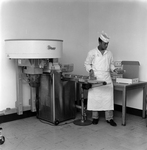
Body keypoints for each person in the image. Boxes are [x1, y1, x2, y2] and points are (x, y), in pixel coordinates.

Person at [84, 31, 119, 126]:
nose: (106, 45)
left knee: (108, 98)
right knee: (95, 98)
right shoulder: (92, 52)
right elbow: (87, 63)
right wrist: (90, 70)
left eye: (107, 43)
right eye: (105, 44)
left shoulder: (109, 53)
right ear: (99, 42)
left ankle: (109, 118)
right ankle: (95, 118)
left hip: (107, 78)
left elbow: (111, 64)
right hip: (96, 78)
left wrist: (114, 69)